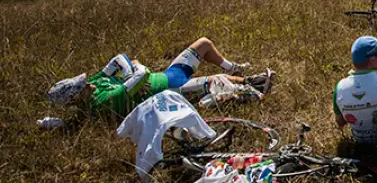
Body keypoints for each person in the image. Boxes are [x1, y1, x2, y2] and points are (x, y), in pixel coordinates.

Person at [47, 38, 271, 118]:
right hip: (173, 90)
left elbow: (119, 58)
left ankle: (236, 68)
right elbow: (141, 73)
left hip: (167, 75)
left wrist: (129, 72)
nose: (87, 82)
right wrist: (135, 70)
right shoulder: (104, 100)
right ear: (76, 99)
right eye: (81, 87)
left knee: (203, 44)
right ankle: (252, 83)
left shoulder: (96, 84)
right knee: (217, 80)